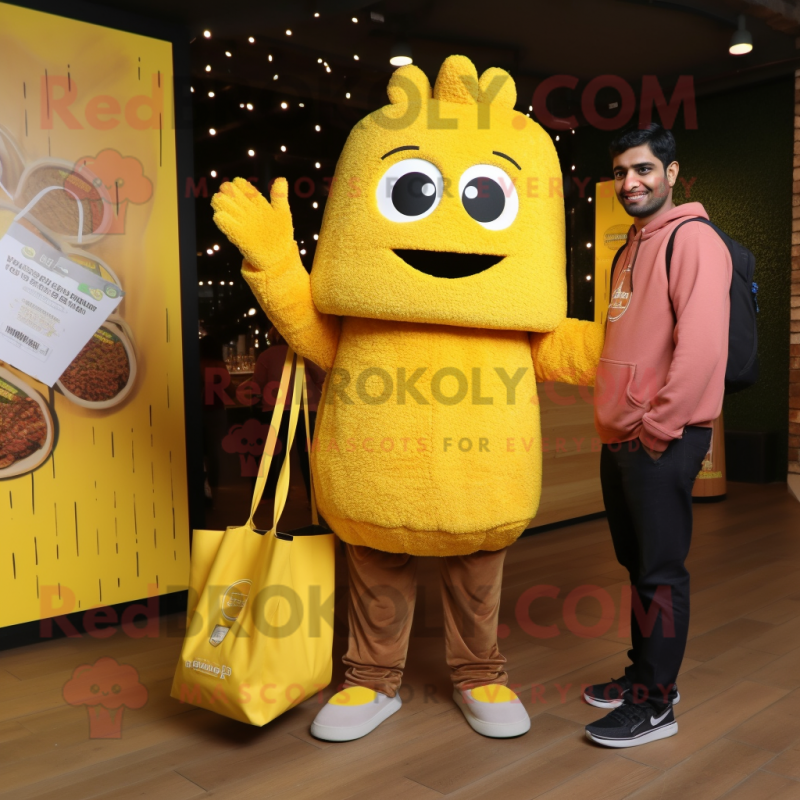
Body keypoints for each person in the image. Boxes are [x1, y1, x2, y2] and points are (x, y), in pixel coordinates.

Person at [584, 123, 731, 748]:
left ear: (671, 173)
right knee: (639, 566)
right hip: (620, 434)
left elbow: (700, 350)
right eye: (620, 172)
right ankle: (642, 675)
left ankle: (656, 704)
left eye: (643, 169)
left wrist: (658, 426)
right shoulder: (629, 245)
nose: (630, 182)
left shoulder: (694, 242)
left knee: (661, 573)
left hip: (661, 436)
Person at [252, 326, 325, 503]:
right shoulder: (304, 353)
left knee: (274, 453)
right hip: (306, 409)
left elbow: (257, 384)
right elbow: (321, 377)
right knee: (308, 455)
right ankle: (314, 498)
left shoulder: (266, 356)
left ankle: (269, 495)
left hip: (276, 410)